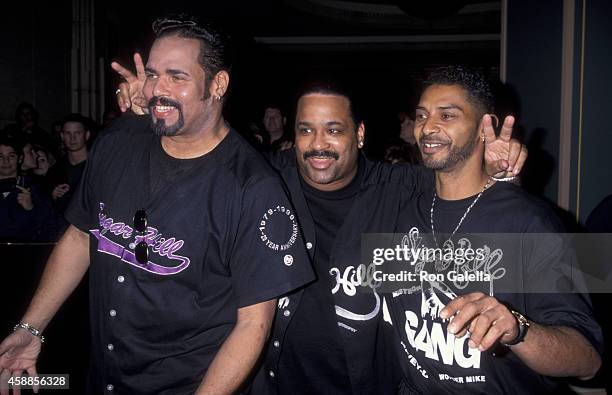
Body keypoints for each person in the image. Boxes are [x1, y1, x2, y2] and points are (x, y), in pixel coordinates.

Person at [113, 61, 526, 393]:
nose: (318, 144)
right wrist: (153, 108)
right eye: (306, 130)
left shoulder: (400, 187)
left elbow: (466, 190)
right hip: (273, 380)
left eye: (334, 130)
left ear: (360, 134)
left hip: (372, 383)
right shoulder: (265, 182)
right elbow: (201, 157)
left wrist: (496, 170)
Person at [0, 15, 313, 395]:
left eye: (176, 77)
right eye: (151, 74)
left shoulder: (253, 187)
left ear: (218, 84)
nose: (155, 90)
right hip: (103, 377)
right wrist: (31, 329)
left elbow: (253, 326)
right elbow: (82, 237)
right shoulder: (118, 142)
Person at [385, 66, 602, 394]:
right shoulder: (404, 213)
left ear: (485, 129)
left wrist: (518, 330)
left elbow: (588, 360)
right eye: (421, 115)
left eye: (447, 116)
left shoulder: (528, 221)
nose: (428, 127)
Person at [0, 137, 56, 242]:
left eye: (11, 156)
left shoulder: (36, 189)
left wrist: (31, 209)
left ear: (20, 158)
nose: (6, 161)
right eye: (0, 156)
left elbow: (50, 227)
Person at [46, 113, 91, 215]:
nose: (72, 138)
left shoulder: (97, 167)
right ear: (62, 136)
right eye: (68, 133)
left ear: (87, 135)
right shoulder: (55, 171)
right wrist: (53, 196)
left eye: (77, 133)